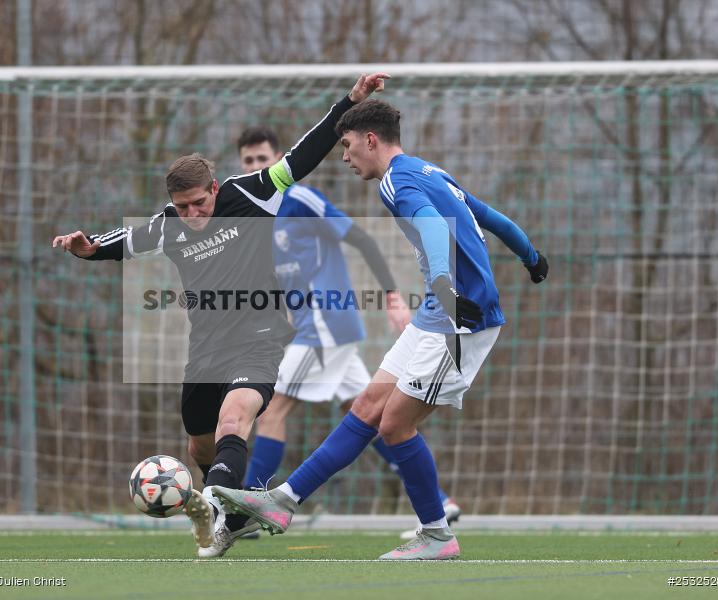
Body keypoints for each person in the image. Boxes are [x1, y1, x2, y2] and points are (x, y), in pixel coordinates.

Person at [52, 73, 389, 558]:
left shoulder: (250, 192)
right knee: (199, 447)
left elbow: (303, 154)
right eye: (182, 207)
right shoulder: (169, 224)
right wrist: (88, 249)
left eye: (199, 203)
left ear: (214, 187)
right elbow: (124, 242)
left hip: (261, 336)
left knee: (236, 419)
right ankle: (233, 508)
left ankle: (217, 512)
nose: (192, 214)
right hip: (206, 349)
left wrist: (350, 101)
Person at [213, 98, 548, 560]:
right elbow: (489, 217)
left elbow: (433, 227)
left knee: (393, 425)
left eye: (347, 146)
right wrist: (531, 255)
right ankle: (282, 501)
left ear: (370, 140)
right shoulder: (428, 171)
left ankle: (437, 534)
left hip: (460, 320)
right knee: (368, 405)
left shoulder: (395, 183)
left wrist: (444, 287)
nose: (344, 157)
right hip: (437, 312)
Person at [235, 127, 462, 540]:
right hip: (315, 329)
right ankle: (439, 501)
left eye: (262, 159)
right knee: (367, 414)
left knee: (272, 409)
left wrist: (391, 295)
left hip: (326, 326)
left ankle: (247, 508)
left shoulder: (299, 199)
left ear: (279, 159)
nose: (255, 167)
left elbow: (360, 239)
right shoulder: (254, 218)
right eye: (248, 161)